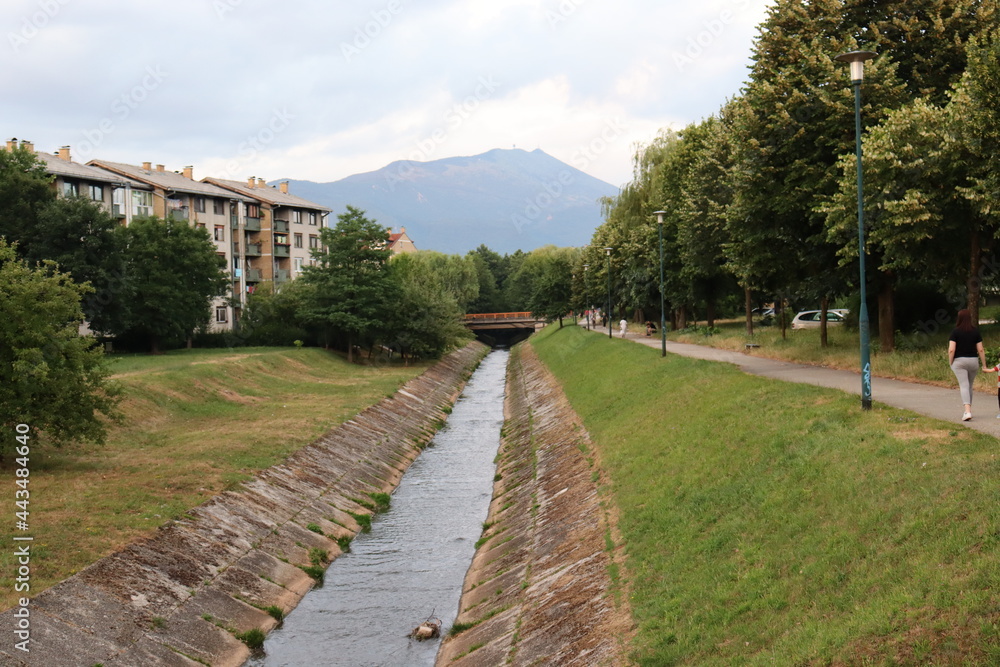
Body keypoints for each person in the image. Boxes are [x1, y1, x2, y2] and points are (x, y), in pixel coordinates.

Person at [948, 309, 986, 421]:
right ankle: (968, 409)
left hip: (960, 362)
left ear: (958, 318)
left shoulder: (955, 332)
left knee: (964, 385)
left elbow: (951, 350)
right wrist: (984, 365)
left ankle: (967, 411)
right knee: (969, 386)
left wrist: (951, 362)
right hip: (973, 361)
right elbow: (981, 349)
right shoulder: (975, 331)